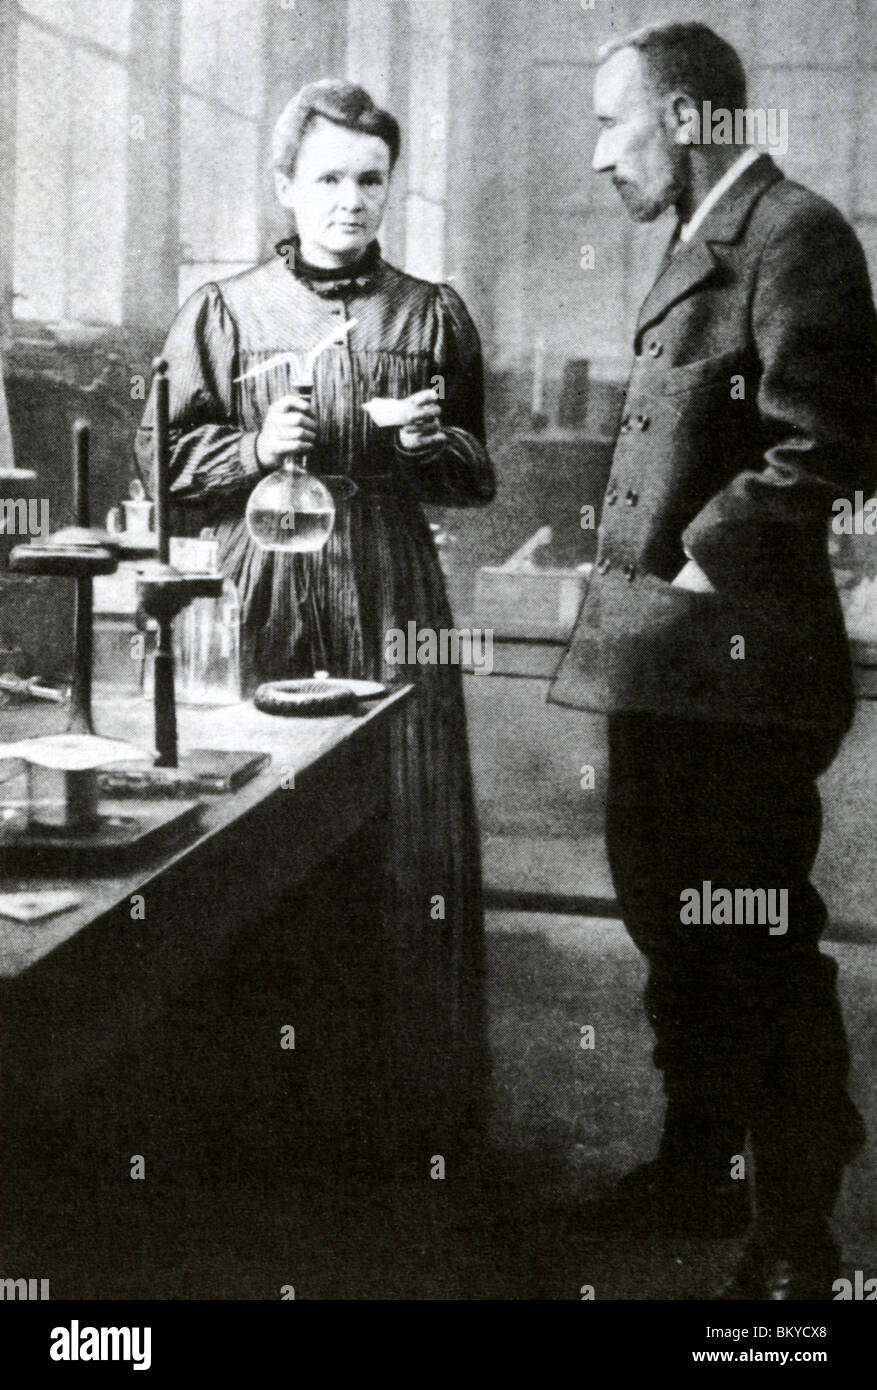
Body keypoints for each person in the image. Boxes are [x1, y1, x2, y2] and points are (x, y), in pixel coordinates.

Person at [549, 22, 877, 1299]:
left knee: (749, 934)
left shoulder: (795, 235)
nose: (595, 157)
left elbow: (829, 441)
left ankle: (797, 1233)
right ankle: (698, 1163)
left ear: (687, 120)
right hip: (665, 671)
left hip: (736, 673)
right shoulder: (698, 246)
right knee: (668, 918)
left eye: (609, 122)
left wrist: (697, 565)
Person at [136, 80, 495, 1170]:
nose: (350, 200)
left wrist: (430, 439)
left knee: (403, 820)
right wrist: (253, 445)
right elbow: (163, 467)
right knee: (254, 822)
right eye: (328, 178)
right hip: (266, 585)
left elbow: (477, 479)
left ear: (391, 188)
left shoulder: (431, 313)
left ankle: (391, 1111)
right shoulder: (223, 310)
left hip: (389, 587)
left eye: (369, 180)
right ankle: (245, 1102)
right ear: (285, 184)